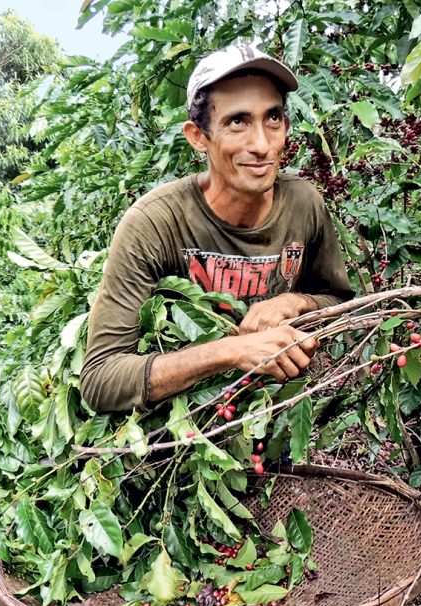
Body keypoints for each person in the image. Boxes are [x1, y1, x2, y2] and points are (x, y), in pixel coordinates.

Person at [81, 44, 354, 416]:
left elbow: (342, 304)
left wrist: (297, 301)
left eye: (272, 118)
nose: (261, 145)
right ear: (197, 136)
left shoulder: (304, 204)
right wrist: (231, 351)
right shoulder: (154, 223)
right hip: (187, 436)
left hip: (275, 422)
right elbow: (100, 379)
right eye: (237, 122)